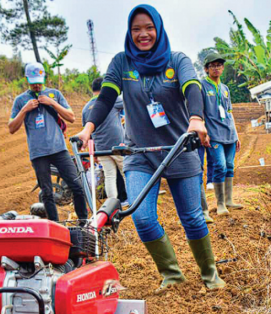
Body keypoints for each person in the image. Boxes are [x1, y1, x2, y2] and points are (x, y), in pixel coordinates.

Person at [76, 4, 225, 292]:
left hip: (179, 148)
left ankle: (210, 274)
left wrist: (196, 118)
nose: (142, 34)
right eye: (136, 29)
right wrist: (88, 128)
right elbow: (105, 98)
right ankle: (172, 274)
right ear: (129, 32)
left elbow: (192, 88)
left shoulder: (177, 59)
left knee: (192, 218)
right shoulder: (121, 63)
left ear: (158, 28)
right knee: (142, 218)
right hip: (140, 154)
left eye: (148, 28)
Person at [9, 62, 88, 222]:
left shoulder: (55, 94)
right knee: (46, 192)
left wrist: (52, 103)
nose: (37, 85)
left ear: (44, 77)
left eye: (39, 81)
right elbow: (11, 128)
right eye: (33, 82)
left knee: (77, 185)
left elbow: (71, 117)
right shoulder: (20, 100)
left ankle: (83, 221)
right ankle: (55, 225)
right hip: (38, 153)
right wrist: (25, 109)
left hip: (59, 149)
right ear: (27, 80)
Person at [202, 53, 243, 216]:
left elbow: (229, 112)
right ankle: (220, 204)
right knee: (220, 165)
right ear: (206, 69)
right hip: (214, 134)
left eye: (219, 65)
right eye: (213, 65)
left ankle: (229, 200)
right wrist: (204, 132)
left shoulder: (225, 88)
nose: (216, 68)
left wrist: (237, 134)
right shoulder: (202, 86)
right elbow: (200, 112)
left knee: (230, 166)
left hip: (230, 134)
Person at [82, 77, 127, 204]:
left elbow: (87, 131)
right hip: (118, 145)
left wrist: (94, 151)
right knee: (127, 173)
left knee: (109, 176)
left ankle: (112, 204)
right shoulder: (111, 100)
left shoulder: (86, 108)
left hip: (101, 148)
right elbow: (128, 101)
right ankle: (134, 201)